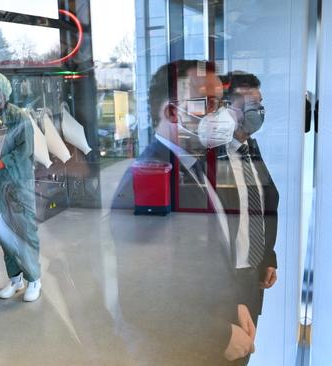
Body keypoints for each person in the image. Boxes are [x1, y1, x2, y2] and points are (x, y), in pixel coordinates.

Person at [111, 60, 255, 365]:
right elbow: (142, 299)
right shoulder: (147, 183)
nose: (225, 115)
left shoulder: (195, 162)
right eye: (210, 104)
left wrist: (237, 303)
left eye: (223, 103)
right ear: (172, 112)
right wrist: (219, 336)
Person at [217, 71, 279, 326]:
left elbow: (263, 206)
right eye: (252, 106)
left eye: (260, 104)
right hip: (221, 283)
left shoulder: (250, 147)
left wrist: (268, 258)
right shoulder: (211, 155)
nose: (259, 112)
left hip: (252, 277)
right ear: (229, 108)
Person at [0, 72, 42, 302]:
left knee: (24, 230)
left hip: (17, 180)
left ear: (4, 91)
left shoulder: (19, 117)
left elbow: (24, 150)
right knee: (4, 230)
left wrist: (1, 162)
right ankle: (15, 278)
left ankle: (33, 279)